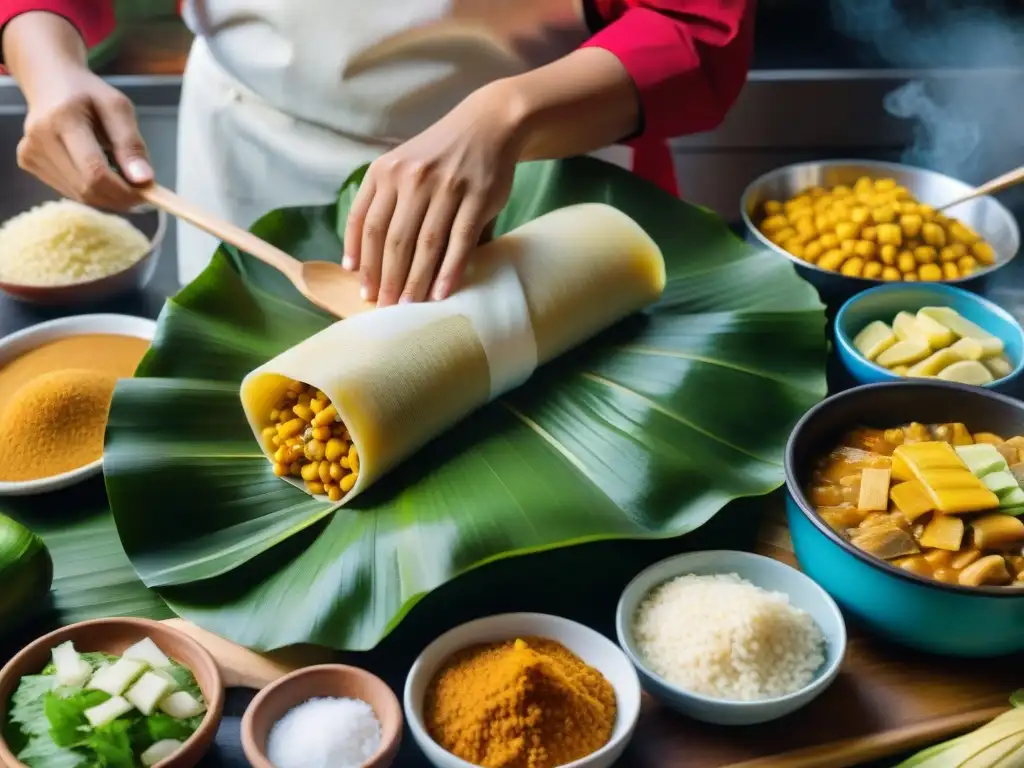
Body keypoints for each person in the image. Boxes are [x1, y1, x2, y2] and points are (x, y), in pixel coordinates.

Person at [1, 0, 755, 306]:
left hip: (549, 165)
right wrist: (49, 65)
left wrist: (509, 112)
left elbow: (696, 27)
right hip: (248, 156)